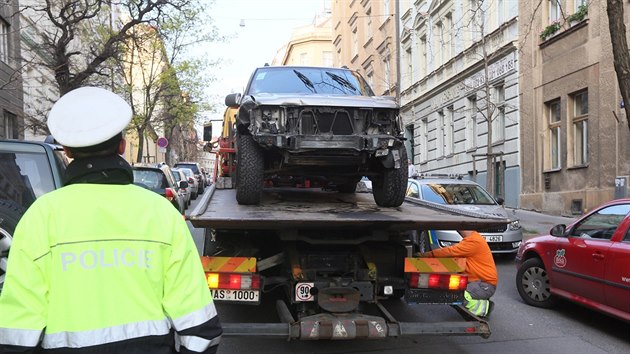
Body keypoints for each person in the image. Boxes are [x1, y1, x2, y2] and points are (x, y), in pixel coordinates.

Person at [0, 87, 222, 353]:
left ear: (67, 151)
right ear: (122, 145)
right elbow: (201, 329)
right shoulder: (161, 213)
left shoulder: (40, 217)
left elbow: (16, 334)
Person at [419, 230, 497, 318]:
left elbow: (451, 251)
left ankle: (485, 307)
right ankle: (476, 304)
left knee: (456, 296)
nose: (458, 231)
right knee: (450, 291)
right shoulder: (472, 239)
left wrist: (427, 255)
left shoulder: (474, 241)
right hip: (477, 282)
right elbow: (455, 257)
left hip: (485, 285)